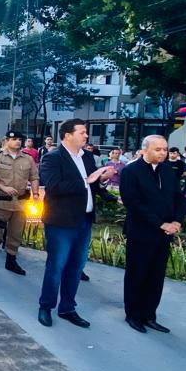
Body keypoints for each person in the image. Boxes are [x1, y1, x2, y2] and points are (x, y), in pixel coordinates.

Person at [37, 119, 111, 328]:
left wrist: (102, 180)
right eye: (82, 132)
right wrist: (86, 181)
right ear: (67, 135)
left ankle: (68, 307)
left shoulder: (87, 157)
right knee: (56, 266)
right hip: (61, 222)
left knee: (76, 267)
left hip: (84, 220)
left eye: (86, 132)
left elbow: (93, 186)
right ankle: (46, 306)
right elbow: (53, 187)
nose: (86, 136)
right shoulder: (53, 158)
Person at [119, 136, 186, 333]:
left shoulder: (167, 170)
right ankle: (133, 315)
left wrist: (176, 221)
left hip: (165, 233)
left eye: (165, 149)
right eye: (158, 149)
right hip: (141, 232)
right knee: (137, 274)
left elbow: (179, 198)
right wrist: (160, 223)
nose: (163, 153)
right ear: (144, 150)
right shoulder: (131, 171)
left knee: (156, 276)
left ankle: (149, 315)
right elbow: (133, 203)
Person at [0, 130, 39, 277]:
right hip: (1, 201)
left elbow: (34, 177)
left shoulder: (28, 159)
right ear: (6, 140)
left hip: (20, 202)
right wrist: (3, 187)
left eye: (19, 139)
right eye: (14, 139)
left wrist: (36, 194)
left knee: (16, 233)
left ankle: (11, 260)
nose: (18, 141)